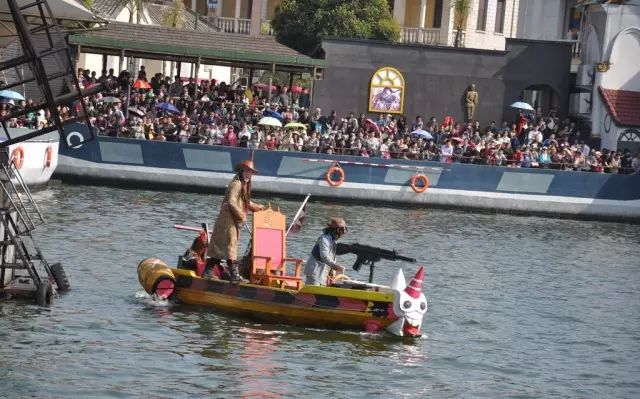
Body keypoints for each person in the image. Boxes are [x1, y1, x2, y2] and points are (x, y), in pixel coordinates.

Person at [205, 160, 264, 281]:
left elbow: (245, 202)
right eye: (247, 171)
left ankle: (207, 271)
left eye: (251, 172)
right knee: (231, 245)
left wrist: (257, 207)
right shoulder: (236, 184)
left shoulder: (243, 185)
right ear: (241, 171)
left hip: (232, 219)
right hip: (228, 219)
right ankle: (234, 275)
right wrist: (241, 215)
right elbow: (232, 202)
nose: (249, 174)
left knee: (222, 246)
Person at [304, 218, 347, 286]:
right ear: (334, 230)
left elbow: (332, 257)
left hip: (324, 275)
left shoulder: (333, 241)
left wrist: (334, 271)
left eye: (344, 231)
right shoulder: (324, 239)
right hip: (315, 273)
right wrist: (336, 266)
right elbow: (324, 256)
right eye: (340, 230)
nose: (342, 233)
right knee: (313, 292)